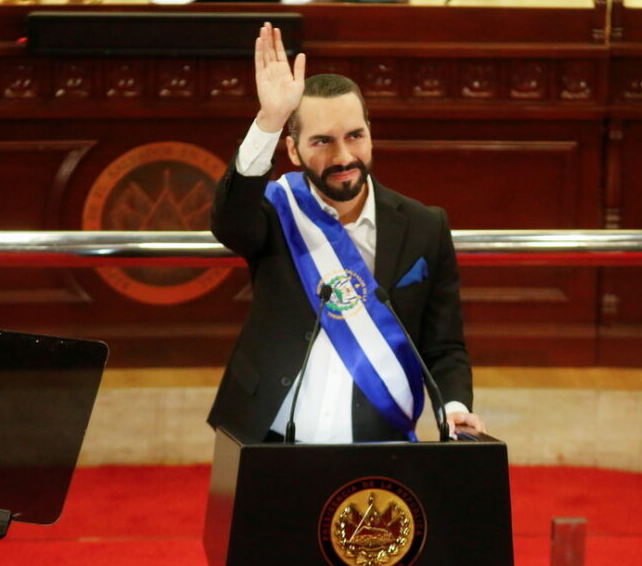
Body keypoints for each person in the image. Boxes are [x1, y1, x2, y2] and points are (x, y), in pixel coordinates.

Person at [208, 22, 485, 444]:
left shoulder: (425, 225)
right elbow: (230, 222)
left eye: (355, 136)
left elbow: (444, 346)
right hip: (266, 435)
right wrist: (269, 121)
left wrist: (454, 408)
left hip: (378, 439)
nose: (343, 157)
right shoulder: (275, 211)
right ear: (293, 150)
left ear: (370, 134)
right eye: (322, 142)